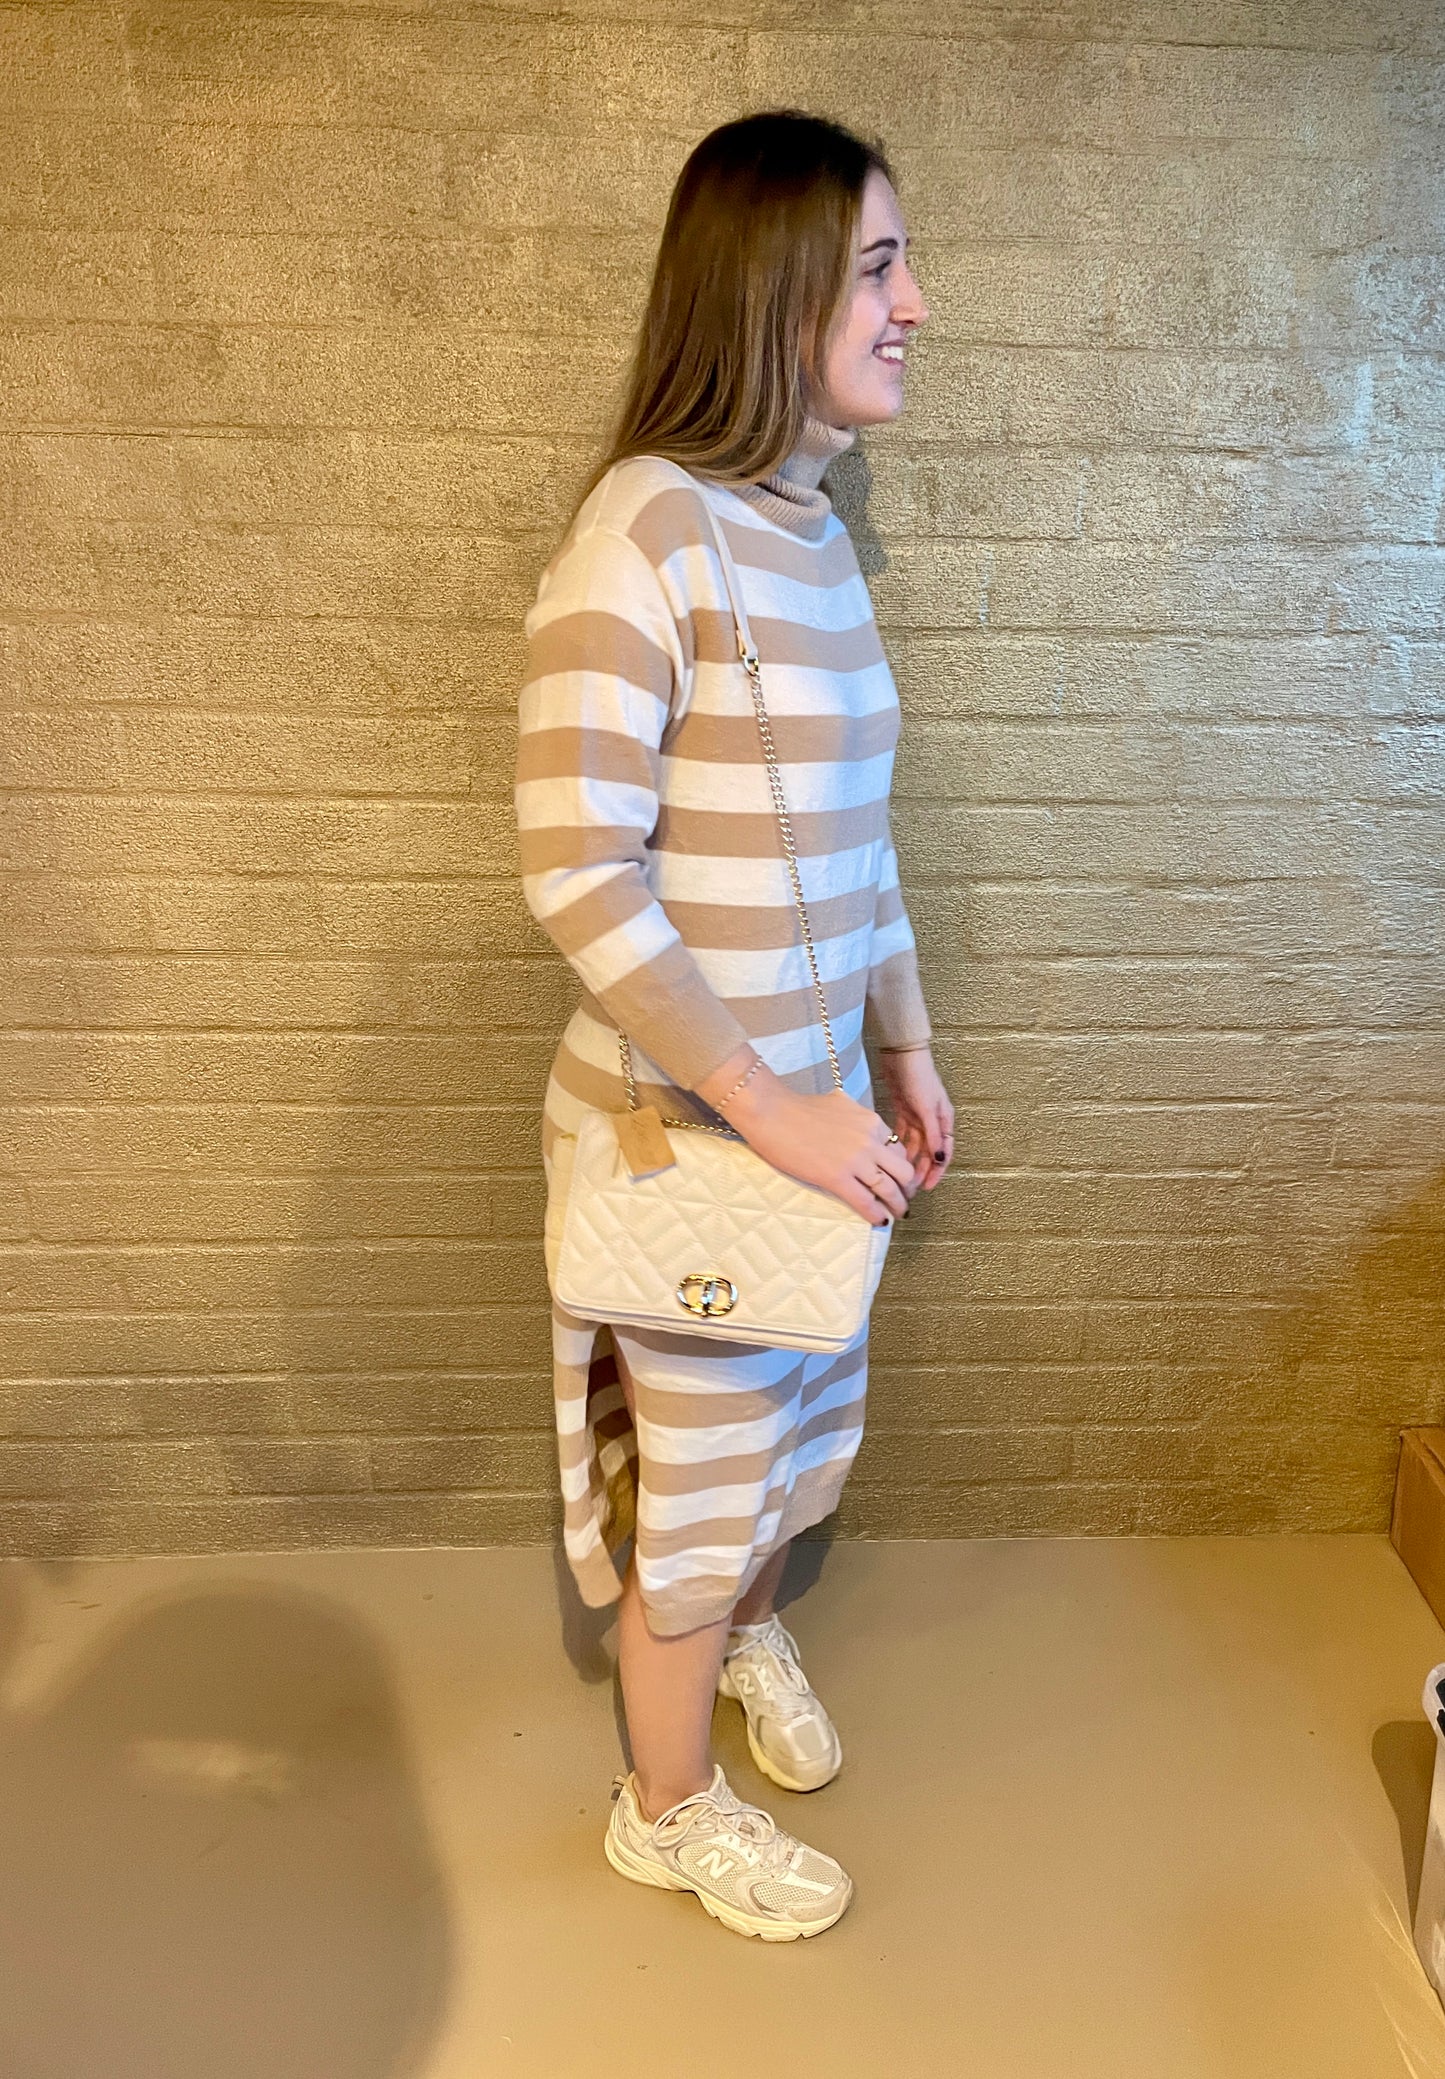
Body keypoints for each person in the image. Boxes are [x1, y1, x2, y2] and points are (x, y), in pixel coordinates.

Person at [514, 108, 954, 1942]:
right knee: (696, 1501)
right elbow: (573, 866)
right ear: (769, 289)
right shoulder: (644, 529)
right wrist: (771, 1103)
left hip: (816, 1112)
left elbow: (854, 839)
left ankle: (748, 1630)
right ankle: (664, 1806)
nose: (917, 306)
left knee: (795, 1438)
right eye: (878, 267)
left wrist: (901, 1049)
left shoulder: (816, 537)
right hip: (695, 1125)